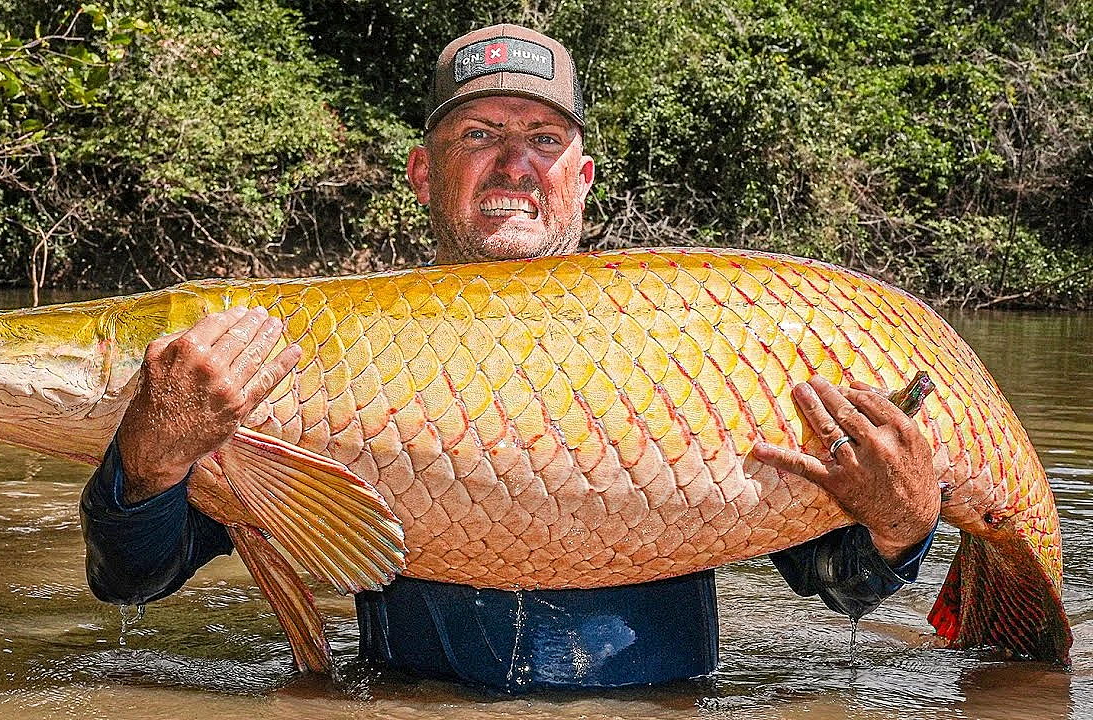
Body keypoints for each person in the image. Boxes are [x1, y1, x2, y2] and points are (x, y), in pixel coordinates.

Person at [81, 24, 941, 692]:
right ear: (423, 171)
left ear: (583, 175)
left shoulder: (702, 334)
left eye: (543, 139)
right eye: (480, 134)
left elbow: (839, 584)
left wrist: (902, 527)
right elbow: (132, 581)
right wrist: (150, 456)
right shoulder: (322, 347)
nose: (515, 163)